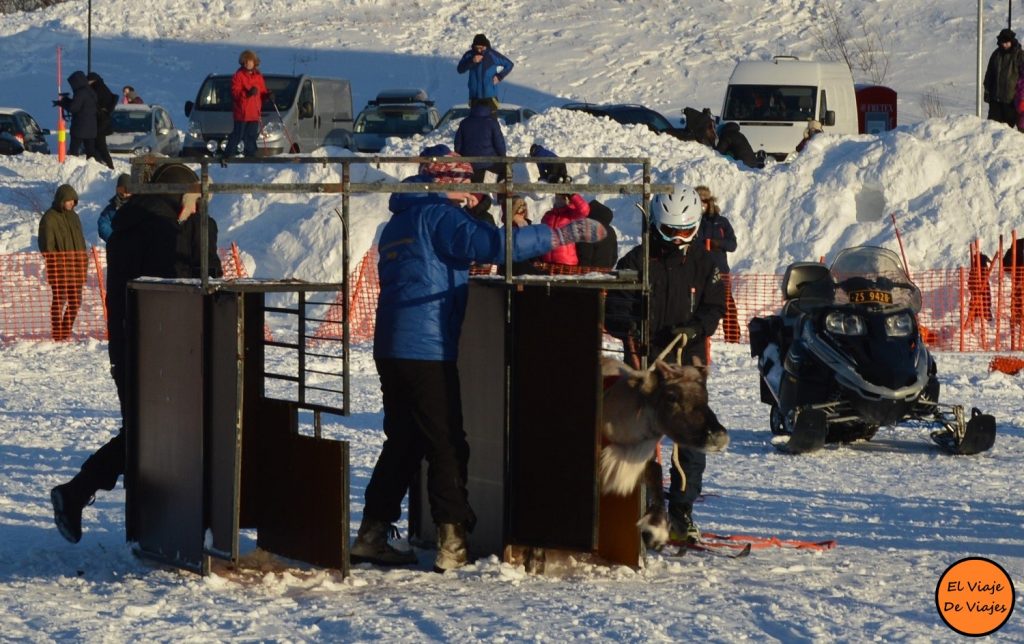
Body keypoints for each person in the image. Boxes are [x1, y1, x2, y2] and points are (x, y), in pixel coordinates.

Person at [351, 145, 606, 572]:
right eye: (467, 186)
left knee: (405, 440)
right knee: (447, 443)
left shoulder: (399, 220)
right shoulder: (439, 215)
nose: (473, 196)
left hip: (392, 346)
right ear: (449, 184)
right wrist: (560, 235)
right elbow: (489, 243)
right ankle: (452, 539)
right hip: (426, 347)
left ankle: (373, 532)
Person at [50, 164, 222, 544]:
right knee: (152, 436)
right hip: (158, 350)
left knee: (144, 434)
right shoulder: (161, 230)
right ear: (179, 196)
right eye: (192, 202)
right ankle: (82, 495)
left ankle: (80, 495)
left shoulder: (131, 223)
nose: (195, 209)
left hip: (129, 347)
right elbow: (176, 288)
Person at [607, 183, 726, 544]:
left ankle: (682, 512)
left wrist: (695, 327)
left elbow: (714, 306)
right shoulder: (635, 261)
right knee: (642, 442)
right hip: (645, 366)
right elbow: (614, 308)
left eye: (683, 231)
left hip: (687, 368)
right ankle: (645, 511)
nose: (677, 238)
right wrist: (631, 327)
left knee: (690, 440)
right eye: (670, 231)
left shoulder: (705, 264)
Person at [38, 184, 87, 342]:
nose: (72, 203)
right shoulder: (49, 218)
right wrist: (57, 261)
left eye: (74, 200)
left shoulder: (74, 216)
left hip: (76, 267)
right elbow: (46, 245)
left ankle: (65, 330)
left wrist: (83, 260)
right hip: (59, 268)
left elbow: (80, 241)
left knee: (76, 302)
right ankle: (57, 333)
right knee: (59, 300)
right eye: (69, 200)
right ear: (61, 200)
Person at [695, 186, 739, 342]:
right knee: (697, 305)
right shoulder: (693, 222)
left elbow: (732, 245)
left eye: (704, 201)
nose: (702, 205)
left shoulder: (721, 222)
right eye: (698, 201)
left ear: (709, 202)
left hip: (721, 272)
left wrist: (717, 244)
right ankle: (697, 335)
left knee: (727, 305)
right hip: (699, 271)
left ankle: (733, 338)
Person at [223, 49, 269, 158]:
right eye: (246, 61)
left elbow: (262, 91)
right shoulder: (238, 75)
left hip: (254, 112)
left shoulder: (258, 76)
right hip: (242, 112)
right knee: (238, 135)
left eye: (249, 61)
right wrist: (247, 93)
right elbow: (235, 93)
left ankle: (251, 156)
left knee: (251, 136)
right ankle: (228, 155)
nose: (247, 63)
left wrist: (268, 95)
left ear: (254, 62)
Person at [454, 102, 507, 182]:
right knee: (506, 168)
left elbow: (457, 146)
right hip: (489, 164)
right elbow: (500, 145)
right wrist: (502, 156)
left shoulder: (464, 123)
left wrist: (463, 159)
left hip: (469, 165)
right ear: (488, 109)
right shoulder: (492, 123)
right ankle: (499, 191)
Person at [456, 33, 514, 107]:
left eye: (481, 48)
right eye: (477, 48)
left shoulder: (492, 54)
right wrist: (472, 61)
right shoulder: (469, 55)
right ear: (473, 46)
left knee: (491, 118)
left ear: (485, 46)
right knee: (475, 119)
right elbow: (460, 69)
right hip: (474, 96)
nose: (479, 50)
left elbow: (509, 64)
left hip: (490, 96)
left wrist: (499, 76)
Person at [539, 188, 591, 266]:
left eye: (563, 196)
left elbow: (584, 210)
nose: (559, 198)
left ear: (567, 199)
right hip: (547, 262)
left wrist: (572, 194)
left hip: (566, 262)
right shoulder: (548, 215)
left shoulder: (572, 214)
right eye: (558, 195)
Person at [984, 28, 1024, 126]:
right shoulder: (996, 54)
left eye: (1007, 42)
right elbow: (989, 74)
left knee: (1007, 133)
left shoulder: (1019, 55)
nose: (1004, 45)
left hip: (1011, 101)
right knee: (991, 127)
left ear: (1012, 41)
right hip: (995, 99)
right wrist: (987, 91)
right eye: (1003, 42)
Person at [56, 71, 98, 163]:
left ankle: (72, 166)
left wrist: (64, 103)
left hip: (80, 127)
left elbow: (74, 108)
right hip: (92, 127)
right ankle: (92, 167)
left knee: (74, 150)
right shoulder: (90, 91)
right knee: (90, 152)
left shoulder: (80, 92)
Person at [575, 199, 618, 269]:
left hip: (590, 274)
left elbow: (584, 256)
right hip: (605, 273)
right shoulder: (611, 231)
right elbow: (614, 256)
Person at [87, 72, 118, 169]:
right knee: (100, 145)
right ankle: (106, 164)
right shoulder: (102, 88)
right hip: (102, 121)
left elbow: (96, 105)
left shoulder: (97, 89)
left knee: (100, 145)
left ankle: (109, 165)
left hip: (101, 122)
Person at [97, 174, 132, 243]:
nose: (124, 194)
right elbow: (103, 224)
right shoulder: (111, 209)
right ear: (117, 189)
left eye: (127, 190)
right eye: (121, 189)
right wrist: (114, 239)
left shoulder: (139, 206)